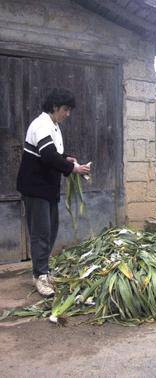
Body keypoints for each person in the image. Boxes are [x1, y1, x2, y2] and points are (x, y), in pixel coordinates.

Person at [17, 88, 90, 297]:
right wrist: (74, 169)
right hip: (35, 188)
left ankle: (44, 271)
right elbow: (48, 155)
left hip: (48, 188)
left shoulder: (54, 127)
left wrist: (66, 159)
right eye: (66, 109)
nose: (68, 114)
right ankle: (40, 275)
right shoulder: (41, 125)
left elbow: (53, 154)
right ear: (55, 107)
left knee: (50, 231)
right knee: (41, 233)